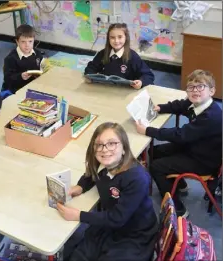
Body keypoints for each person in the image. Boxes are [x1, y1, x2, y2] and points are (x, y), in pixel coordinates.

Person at [58, 122, 158, 261]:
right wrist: (80, 186)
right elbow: (91, 174)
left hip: (134, 235)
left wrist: (79, 215)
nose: (104, 149)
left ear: (124, 148)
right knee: (76, 256)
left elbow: (117, 218)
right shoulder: (107, 164)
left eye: (112, 143)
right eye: (99, 144)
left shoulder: (137, 178)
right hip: (109, 227)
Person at [135, 69, 222, 217]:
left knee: (156, 167)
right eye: (191, 88)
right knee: (152, 153)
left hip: (203, 160)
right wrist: (161, 108)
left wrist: (149, 130)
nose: (195, 91)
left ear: (212, 91)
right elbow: (181, 105)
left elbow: (181, 135)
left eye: (200, 86)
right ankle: (179, 184)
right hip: (195, 147)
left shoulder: (210, 117)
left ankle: (178, 208)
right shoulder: (198, 103)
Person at [84, 23, 154, 89]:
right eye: (112, 37)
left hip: (125, 94)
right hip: (105, 90)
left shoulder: (133, 56)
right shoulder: (103, 53)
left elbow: (148, 75)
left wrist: (141, 82)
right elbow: (91, 68)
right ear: (108, 39)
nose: (116, 41)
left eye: (120, 37)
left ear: (126, 38)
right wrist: (89, 76)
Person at [2, 24, 46, 94]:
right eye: (23, 42)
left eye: (30, 41)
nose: (27, 45)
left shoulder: (37, 53)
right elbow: (7, 79)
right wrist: (20, 76)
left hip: (34, 86)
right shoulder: (10, 59)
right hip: (18, 89)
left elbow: (41, 67)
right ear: (17, 41)